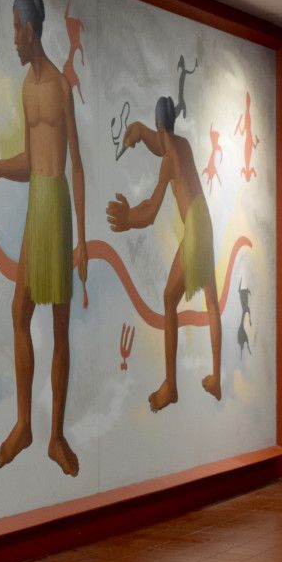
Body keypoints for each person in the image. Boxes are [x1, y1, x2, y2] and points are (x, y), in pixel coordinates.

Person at [0, 0, 87, 477]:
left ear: (31, 29)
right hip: (37, 202)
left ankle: (56, 436)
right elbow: (31, 159)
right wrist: (0, 167)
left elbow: (74, 165)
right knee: (20, 310)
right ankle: (25, 425)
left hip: (55, 204)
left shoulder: (59, 87)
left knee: (58, 323)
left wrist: (82, 239)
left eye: (16, 29)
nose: (14, 39)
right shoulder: (26, 87)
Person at [107, 96, 222, 412]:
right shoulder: (183, 145)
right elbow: (161, 143)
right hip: (205, 221)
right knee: (211, 301)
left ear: (159, 125)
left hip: (195, 228)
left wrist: (128, 218)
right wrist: (140, 130)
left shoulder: (168, 160)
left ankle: (171, 385)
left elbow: (150, 212)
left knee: (169, 299)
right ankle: (216, 378)